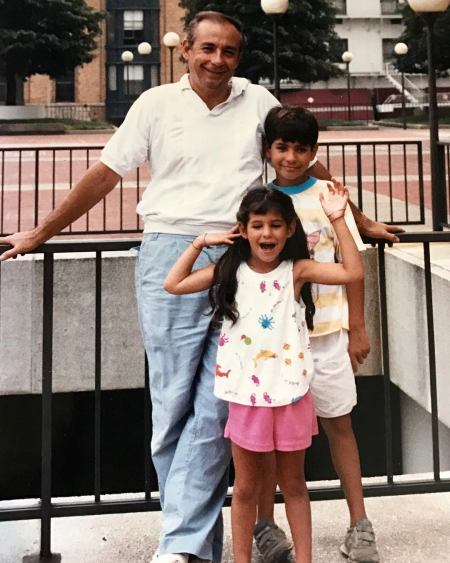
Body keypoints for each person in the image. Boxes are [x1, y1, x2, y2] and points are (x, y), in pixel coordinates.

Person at [0, 10, 402, 563]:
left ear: (239, 57)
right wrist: (42, 231)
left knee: (219, 405)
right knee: (171, 404)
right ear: (186, 49)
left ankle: (183, 544)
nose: (218, 60)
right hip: (173, 250)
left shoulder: (257, 101)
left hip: (243, 258)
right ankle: (189, 542)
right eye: (207, 48)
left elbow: (303, 168)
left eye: (229, 51)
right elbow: (105, 173)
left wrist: (361, 221)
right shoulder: (155, 104)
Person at [163, 184, 364, 563]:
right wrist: (201, 242)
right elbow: (173, 284)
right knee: (244, 489)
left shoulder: (297, 271)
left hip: (291, 395)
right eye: (257, 225)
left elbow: (352, 270)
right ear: (243, 229)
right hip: (245, 398)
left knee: (294, 485)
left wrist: (338, 218)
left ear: (290, 230)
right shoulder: (229, 270)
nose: (266, 233)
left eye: (275, 225)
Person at [253, 105, 381, 563]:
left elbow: (352, 265)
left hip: (327, 334)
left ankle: (359, 524)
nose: (291, 157)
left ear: (314, 152)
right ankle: (266, 527)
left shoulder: (329, 194)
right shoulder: (259, 198)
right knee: (269, 439)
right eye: (282, 147)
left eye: (301, 148)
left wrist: (358, 329)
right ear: (268, 150)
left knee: (339, 425)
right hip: (274, 342)